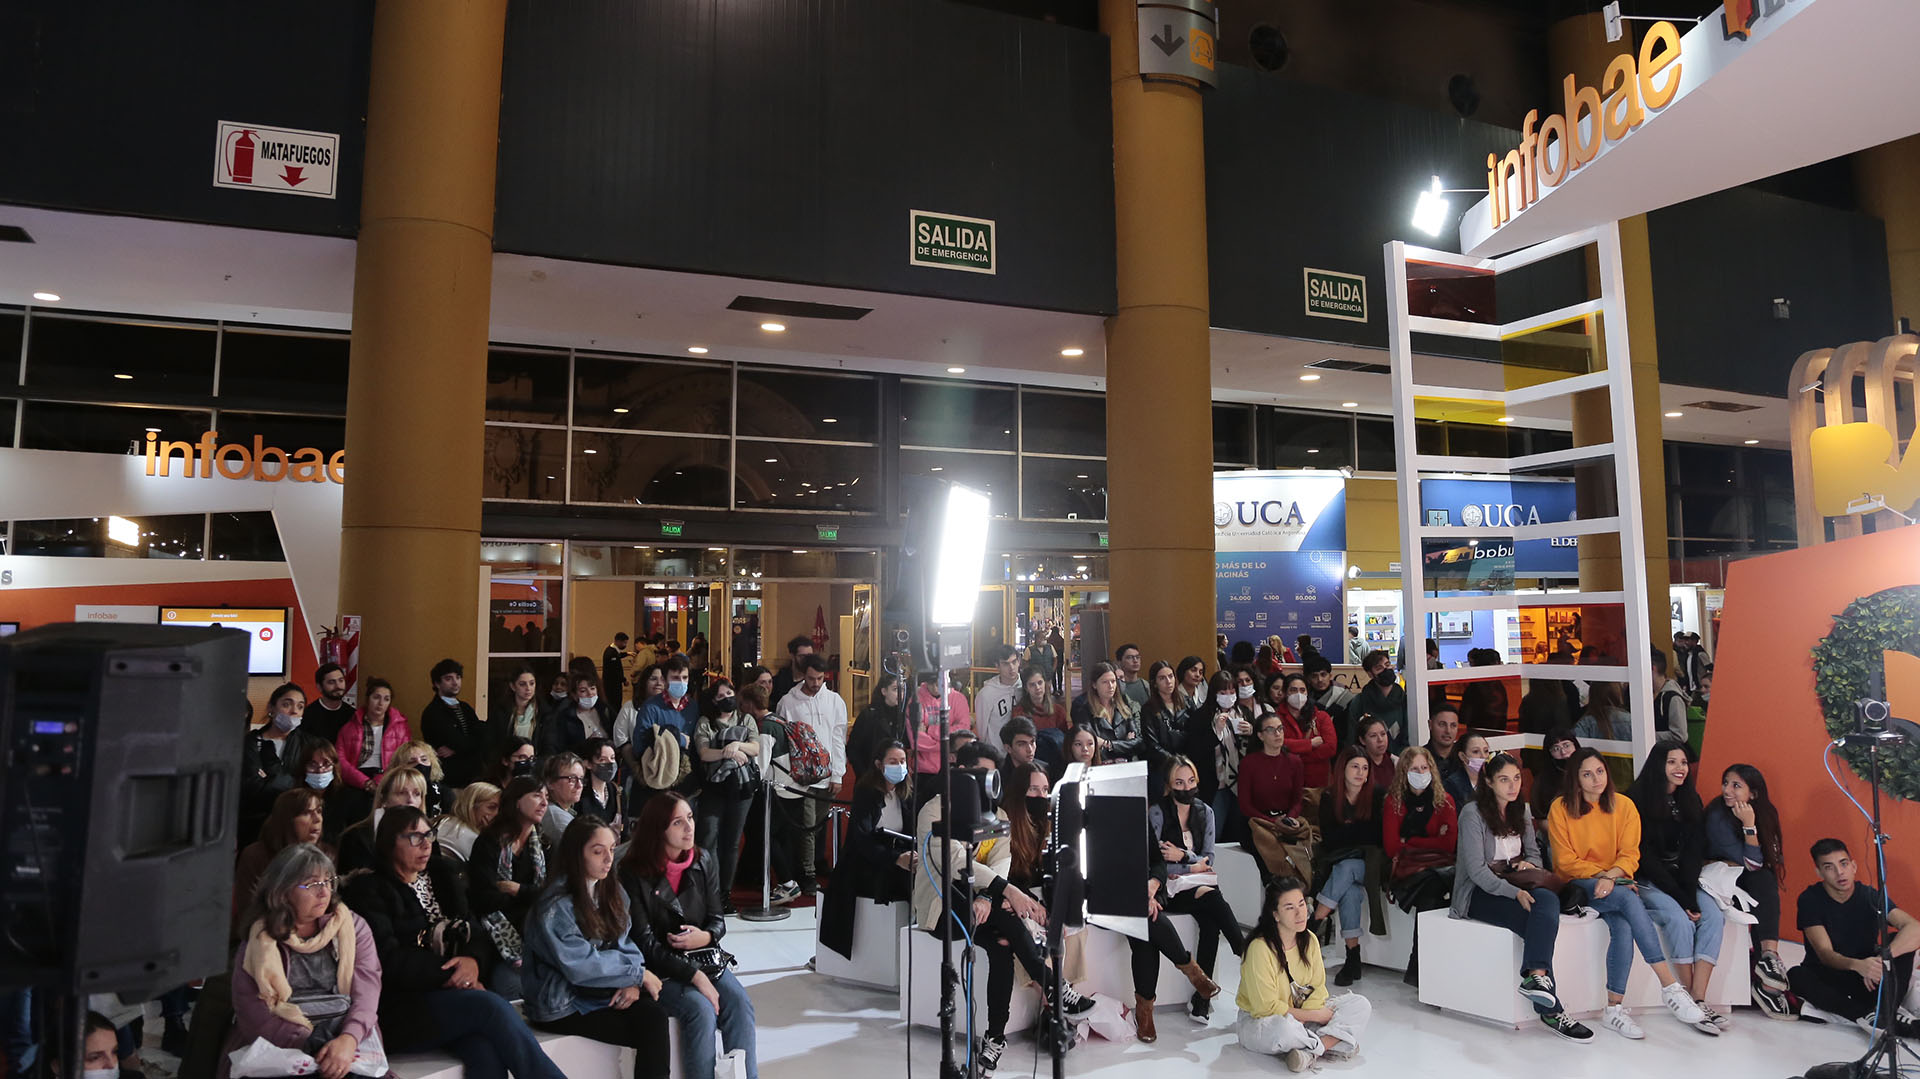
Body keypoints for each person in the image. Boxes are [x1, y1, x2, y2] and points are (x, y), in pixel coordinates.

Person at [341, 807, 566, 1078]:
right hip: (402, 1007)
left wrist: (472, 962)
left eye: (429, 835)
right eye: (414, 837)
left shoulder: (442, 876)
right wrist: (455, 975)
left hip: (452, 997)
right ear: (389, 843)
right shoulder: (368, 890)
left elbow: (475, 929)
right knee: (491, 1007)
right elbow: (387, 960)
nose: (426, 844)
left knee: (485, 1050)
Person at [914, 743, 1091, 1076]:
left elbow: (1001, 861)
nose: (987, 780)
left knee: (1003, 947)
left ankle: (995, 1038)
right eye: (980, 773)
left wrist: (991, 896)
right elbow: (951, 861)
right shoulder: (934, 811)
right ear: (962, 773)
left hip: (985, 907)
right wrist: (1006, 892)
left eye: (991, 774)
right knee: (1008, 916)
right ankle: (1052, 984)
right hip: (943, 905)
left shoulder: (998, 815)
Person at [1546, 747, 1714, 1038]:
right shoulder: (1560, 808)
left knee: (1623, 925)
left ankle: (1614, 1009)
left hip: (1614, 881)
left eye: (1600, 771)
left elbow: (1630, 855)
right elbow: (1565, 862)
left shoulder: (1623, 805)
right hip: (1579, 882)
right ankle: (1670, 986)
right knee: (1626, 897)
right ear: (1576, 778)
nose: (1596, 779)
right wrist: (1605, 877)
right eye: (1587, 774)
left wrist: (1612, 877)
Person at [1451, 753, 1595, 1041]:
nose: (1512, 786)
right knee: (1538, 919)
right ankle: (1552, 1010)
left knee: (1548, 904)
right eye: (1504, 780)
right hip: (1480, 892)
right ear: (1489, 782)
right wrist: (1514, 892)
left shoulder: (1522, 811)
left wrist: (1528, 867)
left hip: (1518, 883)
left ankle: (1537, 977)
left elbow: (1534, 855)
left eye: (1516, 779)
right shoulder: (1472, 814)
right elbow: (1477, 871)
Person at [620, 795, 758, 1079]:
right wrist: (695, 977)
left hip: (703, 958)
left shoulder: (704, 859)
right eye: (678, 822)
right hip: (661, 969)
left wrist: (706, 936)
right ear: (659, 829)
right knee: (700, 1009)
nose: (688, 828)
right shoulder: (633, 872)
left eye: (690, 818)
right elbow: (644, 942)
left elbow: (718, 919)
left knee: (740, 1005)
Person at [522, 816, 669, 1079]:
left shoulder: (612, 891)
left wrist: (632, 982)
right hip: (561, 1003)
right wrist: (636, 974)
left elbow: (626, 944)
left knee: (653, 1013)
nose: (608, 859)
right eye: (597, 851)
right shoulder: (555, 906)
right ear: (576, 855)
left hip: (597, 991)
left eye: (611, 849)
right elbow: (581, 966)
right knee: (650, 1025)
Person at [223, 844, 381, 1079]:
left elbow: (367, 993)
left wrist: (348, 1039)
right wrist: (314, 1045)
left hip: (345, 1038)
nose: (324, 892)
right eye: (312, 884)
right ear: (282, 892)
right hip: (281, 1045)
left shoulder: (353, 927)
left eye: (328, 881)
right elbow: (253, 1012)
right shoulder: (260, 940)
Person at [1133, 755, 1246, 1034]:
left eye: (1191, 780)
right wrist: (1188, 864)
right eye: (1179, 782)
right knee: (1212, 901)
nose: (1187, 786)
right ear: (1169, 785)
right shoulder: (1157, 813)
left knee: (1210, 920)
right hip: (1166, 887)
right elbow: (1154, 860)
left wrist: (1184, 857)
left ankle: (1202, 998)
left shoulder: (1205, 811)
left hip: (1194, 882)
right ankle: (1245, 952)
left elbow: (1208, 859)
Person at [1628, 738, 1731, 1029]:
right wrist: (1680, 898)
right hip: (1648, 877)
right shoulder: (1635, 799)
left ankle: (1699, 1000)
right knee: (1679, 919)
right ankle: (1689, 1001)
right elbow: (1644, 857)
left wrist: (1689, 895)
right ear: (1658, 764)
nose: (1680, 768)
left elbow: (1693, 851)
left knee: (1712, 916)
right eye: (1672, 762)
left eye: (1684, 762)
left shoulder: (1690, 799)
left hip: (1683, 878)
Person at [1236, 876, 1371, 1072]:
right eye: (1290, 908)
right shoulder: (1260, 948)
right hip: (1261, 1021)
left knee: (1359, 1005)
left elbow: (1317, 989)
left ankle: (1310, 1052)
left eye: (1302, 904)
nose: (1300, 913)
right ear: (1276, 914)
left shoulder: (1310, 940)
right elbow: (1265, 1008)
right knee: (1284, 1029)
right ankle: (1332, 1042)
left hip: (1303, 1016)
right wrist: (1315, 1015)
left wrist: (1311, 1016)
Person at [1790, 838, 1920, 1036]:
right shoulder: (1810, 899)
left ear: (1853, 866)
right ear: (1819, 873)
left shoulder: (1870, 895)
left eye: (1843, 864)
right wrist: (1858, 966)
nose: (1839, 872)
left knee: (1900, 941)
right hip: (1831, 976)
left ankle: (1886, 1013)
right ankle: (1867, 1015)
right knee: (1796, 976)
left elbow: (1914, 928)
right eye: (1829, 867)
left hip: (1869, 977)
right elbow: (1825, 954)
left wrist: (1883, 958)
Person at [1705, 763, 1794, 1018]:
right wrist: (1749, 825)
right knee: (1762, 880)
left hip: (1745, 876)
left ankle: (1768, 960)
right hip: (1718, 877)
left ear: (1753, 794)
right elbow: (1753, 862)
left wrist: (1752, 825)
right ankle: (1768, 966)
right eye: (1726, 783)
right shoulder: (1717, 814)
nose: (1727, 791)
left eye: (1736, 786)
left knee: (1764, 882)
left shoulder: (1766, 812)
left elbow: (1766, 860)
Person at [821, 742, 917, 960]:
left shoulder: (906, 792)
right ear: (878, 764)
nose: (899, 766)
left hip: (898, 853)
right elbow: (861, 839)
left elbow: (913, 831)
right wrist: (895, 859)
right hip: (866, 859)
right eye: (893, 762)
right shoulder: (866, 792)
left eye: (902, 762)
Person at [1381, 747, 1456, 986]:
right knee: (1432, 891)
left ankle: (1419, 967)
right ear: (1404, 771)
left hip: (1440, 867)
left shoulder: (1445, 800)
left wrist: (1411, 841)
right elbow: (1392, 847)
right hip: (1409, 870)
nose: (1421, 772)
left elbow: (1449, 844)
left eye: (1425, 767)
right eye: (1414, 768)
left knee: (1432, 893)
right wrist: (1432, 841)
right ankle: (1423, 968)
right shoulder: (1394, 802)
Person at [776, 653, 849, 895]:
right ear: (802, 675)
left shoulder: (835, 701)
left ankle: (813, 865)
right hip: (801, 776)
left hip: (827, 774)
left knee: (819, 825)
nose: (815, 683)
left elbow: (838, 739)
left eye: (819, 678)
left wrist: (838, 774)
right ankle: (806, 874)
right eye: (811, 678)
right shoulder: (788, 702)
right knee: (806, 826)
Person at [1313, 747, 1386, 986]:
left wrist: (1348, 830)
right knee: (1351, 892)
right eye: (1355, 766)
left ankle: (1314, 923)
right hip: (1345, 862)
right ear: (1342, 768)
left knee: (1346, 868)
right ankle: (1352, 958)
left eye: (1365, 768)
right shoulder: (1329, 797)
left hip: (1374, 866)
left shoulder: (1377, 796)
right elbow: (1331, 839)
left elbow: (1376, 838)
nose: (1360, 773)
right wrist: (1356, 833)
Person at [690, 679, 760, 910]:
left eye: (729, 693)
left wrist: (737, 747)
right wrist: (726, 752)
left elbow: (755, 747)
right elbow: (704, 753)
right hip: (714, 788)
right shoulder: (705, 723)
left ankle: (725, 894)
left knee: (731, 842)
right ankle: (710, 890)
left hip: (742, 789)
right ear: (713, 701)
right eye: (721, 696)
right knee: (708, 838)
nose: (726, 698)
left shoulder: (746, 719)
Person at [470, 777, 551, 965]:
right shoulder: (489, 841)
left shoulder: (545, 845)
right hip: (494, 931)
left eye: (547, 797)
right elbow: (483, 899)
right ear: (516, 801)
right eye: (537, 796)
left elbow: (551, 894)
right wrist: (531, 896)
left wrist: (518, 890)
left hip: (535, 928)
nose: (545, 803)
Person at [234, 789, 332, 935]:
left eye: (319, 811)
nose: (317, 819)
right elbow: (249, 914)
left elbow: (329, 909)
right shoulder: (255, 856)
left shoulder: (327, 855)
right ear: (287, 820)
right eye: (306, 813)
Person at [1187, 670, 1255, 847]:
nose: (1229, 697)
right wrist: (1215, 732)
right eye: (1223, 693)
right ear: (1214, 693)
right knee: (1212, 834)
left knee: (1238, 833)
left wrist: (1253, 732)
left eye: (1232, 692)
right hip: (1215, 784)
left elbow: (1255, 750)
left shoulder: (1244, 713)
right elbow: (1195, 752)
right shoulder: (1201, 717)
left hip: (1242, 784)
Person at [1240, 711, 1308, 885]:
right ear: (1260, 735)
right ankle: (1273, 885)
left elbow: (1298, 799)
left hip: (1287, 819)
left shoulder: (1294, 761)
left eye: (1280, 729)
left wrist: (1289, 818)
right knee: (1266, 845)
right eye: (1271, 730)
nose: (1278, 734)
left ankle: (1305, 887)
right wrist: (1271, 821)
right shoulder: (1249, 763)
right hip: (1259, 821)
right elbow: (1245, 805)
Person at [630, 655, 700, 803]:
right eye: (675, 678)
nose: (681, 682)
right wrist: (677, 739)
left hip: (686, 780)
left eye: (684, 677)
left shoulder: (693, 707)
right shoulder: (651, 707)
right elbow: (640, 744)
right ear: (665, 680)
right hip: (659, 777)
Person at [334, 767, 427, 875]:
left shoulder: (427, 835)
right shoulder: (357, 837)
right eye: (402, 793)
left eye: (417, 794)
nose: (411, 800)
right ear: (384, 799)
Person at [419, 659, 491, 791]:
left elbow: (483, 737)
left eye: (458, 677)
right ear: (437, 683)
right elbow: (456, 740)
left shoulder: (465, 707)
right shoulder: (433, 712)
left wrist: (456, 749)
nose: (455, 682)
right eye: (448, 678)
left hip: (473, 776)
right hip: (450, 779)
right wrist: (465, 745)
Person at [334, 678, 410, 792]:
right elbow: (339, 760)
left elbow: (405, 759)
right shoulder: (349, 728)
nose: (381, 703)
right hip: (357, 778)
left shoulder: (400, 728)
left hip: (388, 778)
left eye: (386, 699)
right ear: (367, 699)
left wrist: (381, 781)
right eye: (376, 697)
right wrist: (365, 782)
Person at [1270, 672, 1336, 799]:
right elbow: (1277, 744)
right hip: (1286, 784)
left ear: (1307, 693)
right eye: (1293, 690)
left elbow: (1330, 748)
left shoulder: (1321, 717)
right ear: (1285, 693)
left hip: (1317, 786)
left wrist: (1295, 756)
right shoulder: (1275, 718)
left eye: (1302, 690)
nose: (1298, 694)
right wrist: (1310, 744)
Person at [914, 670, 975, 787]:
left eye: (939, 684)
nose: (936, 688)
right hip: (924, 770)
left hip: (955, 767)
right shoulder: (916, 700)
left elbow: (963, 732)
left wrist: (929, 730)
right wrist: (948, 744)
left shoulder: (959, 699)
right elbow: (916, 740)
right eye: (931, 684)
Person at [1071, 661, 1139, 761]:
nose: (1111, 686)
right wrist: (1125, 743)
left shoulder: (1124, 705)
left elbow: (1138, 743)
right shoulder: (1084, 710)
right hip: (1100, 764)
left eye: (1113, 681)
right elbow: (1091, 747)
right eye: (1105, 682)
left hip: (1126, 763)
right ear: (1094, 685)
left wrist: (1106, 744)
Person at [1138, 659, 1191, 785]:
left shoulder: (1186, 702)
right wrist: (1173, 762)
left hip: (1186, 763)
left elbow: (1194, 733)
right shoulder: (1148, 709)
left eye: (1171, 676)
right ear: (1155, 683)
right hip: (1161, 768)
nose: (1168, 681)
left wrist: (1185, 761)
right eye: (1162, 678)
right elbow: (1152, 744)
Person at [847, 673, 906, 782]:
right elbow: (853, 749)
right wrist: (863, 774)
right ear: (884, 691)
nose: (900, 694)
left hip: (895, 777)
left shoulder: (902, 716)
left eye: (901, 689)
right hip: (870, 776)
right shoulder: (869, 715)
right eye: (895, 689)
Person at [543, 673, 613, 759]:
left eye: (592, 688)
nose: (590, 693)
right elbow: (562, 749)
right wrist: (587, 744)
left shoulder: (604, 711)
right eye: (583, 691)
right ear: (574, 695)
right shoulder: (566, 717)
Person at [1351, 651, 1407, 752]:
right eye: (1379, 668)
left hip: (1401, 759)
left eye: (1387, 664)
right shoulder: (1359, 702)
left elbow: (1409, 733)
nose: (1386, 670)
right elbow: (1352, 737)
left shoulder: (1405, 699)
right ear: (1370, 674)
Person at [437, 781, 501, 865]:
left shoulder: (445, 820)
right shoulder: (469, 837)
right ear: (471, 806)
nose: (497, 814)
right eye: (491, 807)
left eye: (500, 809)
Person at [1531, 726, 1582, 823]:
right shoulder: (1542, 781)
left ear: (1575, 745)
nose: (1563, 752)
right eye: (1556, 748)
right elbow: (1541, 819)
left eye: (1566, 745)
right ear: (1549, 753)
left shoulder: (1587, 772)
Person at [539, 753, 588, 850]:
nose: (579, 785)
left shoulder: (565, 811)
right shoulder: (556, 817)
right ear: (550, 783)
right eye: (572, 779)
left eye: (581, 779)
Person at [1302, 654, 1354, 746]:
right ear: (1308, 679)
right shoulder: (1302, 698)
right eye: (1314, 676)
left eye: (1323, 674)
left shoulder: (1344, 696)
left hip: (1339, 746)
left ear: (1330, 676)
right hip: (1309, 746)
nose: (1320, 680)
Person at [1425, 703, 1467, 804]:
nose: (1448, 731)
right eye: (1442, 724)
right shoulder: (1420, 758)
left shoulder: (1464, 759)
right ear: (1430, 725)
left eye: (1453, 725)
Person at [393, 740, 447, 818]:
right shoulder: (393, 792)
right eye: (412, 762)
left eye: (424, 760)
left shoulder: (444, 793)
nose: (420, 764)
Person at [304, 664, 354, 747]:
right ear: (319, 687)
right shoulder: (308, 715)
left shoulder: (352, 714)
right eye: (331, 682)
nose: (338, 686)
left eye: (341, 680)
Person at [1009, 664, 1069, 733]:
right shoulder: (1018, 713)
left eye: (1040, 683)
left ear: (1045, 683)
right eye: (1032, 685)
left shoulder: (1059, 711)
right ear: (1026, 688)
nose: (1037, 688)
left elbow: (1066, 740)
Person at [494, 666, 544, 744]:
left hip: (535, 755)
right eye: (522, 684)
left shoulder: (544, 711)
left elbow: (549, 743)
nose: (528, 688)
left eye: (532, 683)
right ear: (513, 686)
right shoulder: (500, 711)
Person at [1651, 647, 1692, 745]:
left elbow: (1680, 735)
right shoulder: (1649, 695)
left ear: (1653, 668)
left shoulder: (1673, 698)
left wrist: (1649, 735)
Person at [769, 634, 814, 711]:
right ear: (793, 656)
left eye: (809, 656)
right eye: (802, 656)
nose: (806, 660)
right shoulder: (778, 682)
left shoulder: (815, 681)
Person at [1355, 716, 1395, 797]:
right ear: (1362, 740)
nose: (1380, 739)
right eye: (1373, 736)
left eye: (1383, 734)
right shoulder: (1356, 766)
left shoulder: (1396, 762)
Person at [1454, 733, 1491, 804]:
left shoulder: (1492, 779)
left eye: (1486, 751)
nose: (1483, 756)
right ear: (1463, 757)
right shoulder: (1452, 786)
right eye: (1476, 751)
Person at [1115, 643, 1150, 711]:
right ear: (1119, 662)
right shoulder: (1116, 687)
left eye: (1137, 657)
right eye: (1130, 657)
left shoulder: (1146, 685)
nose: (1135, 661)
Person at [1025, 627, 1058, 698]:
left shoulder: (1050, 647)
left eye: (1044, 638)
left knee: (1047, 694)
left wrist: (1053, 670)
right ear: (1036, 639)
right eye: (1041, 638)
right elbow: (1025, 662)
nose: (1043, 639)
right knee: (1037, 694)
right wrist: (1030, 672)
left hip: (1048, 676)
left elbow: (1055, 659)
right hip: (1035, 677)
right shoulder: (1029, 649)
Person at [603, 632, 632, 712]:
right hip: (612, 684)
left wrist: (627, 654)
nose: (625, 645)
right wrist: (623, 679)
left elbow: (618, 655)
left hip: (612, 683)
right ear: (618, 641)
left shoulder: (613, 650)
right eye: (624, 643)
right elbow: (615, 670)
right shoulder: (611, 653)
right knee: (615, 704)